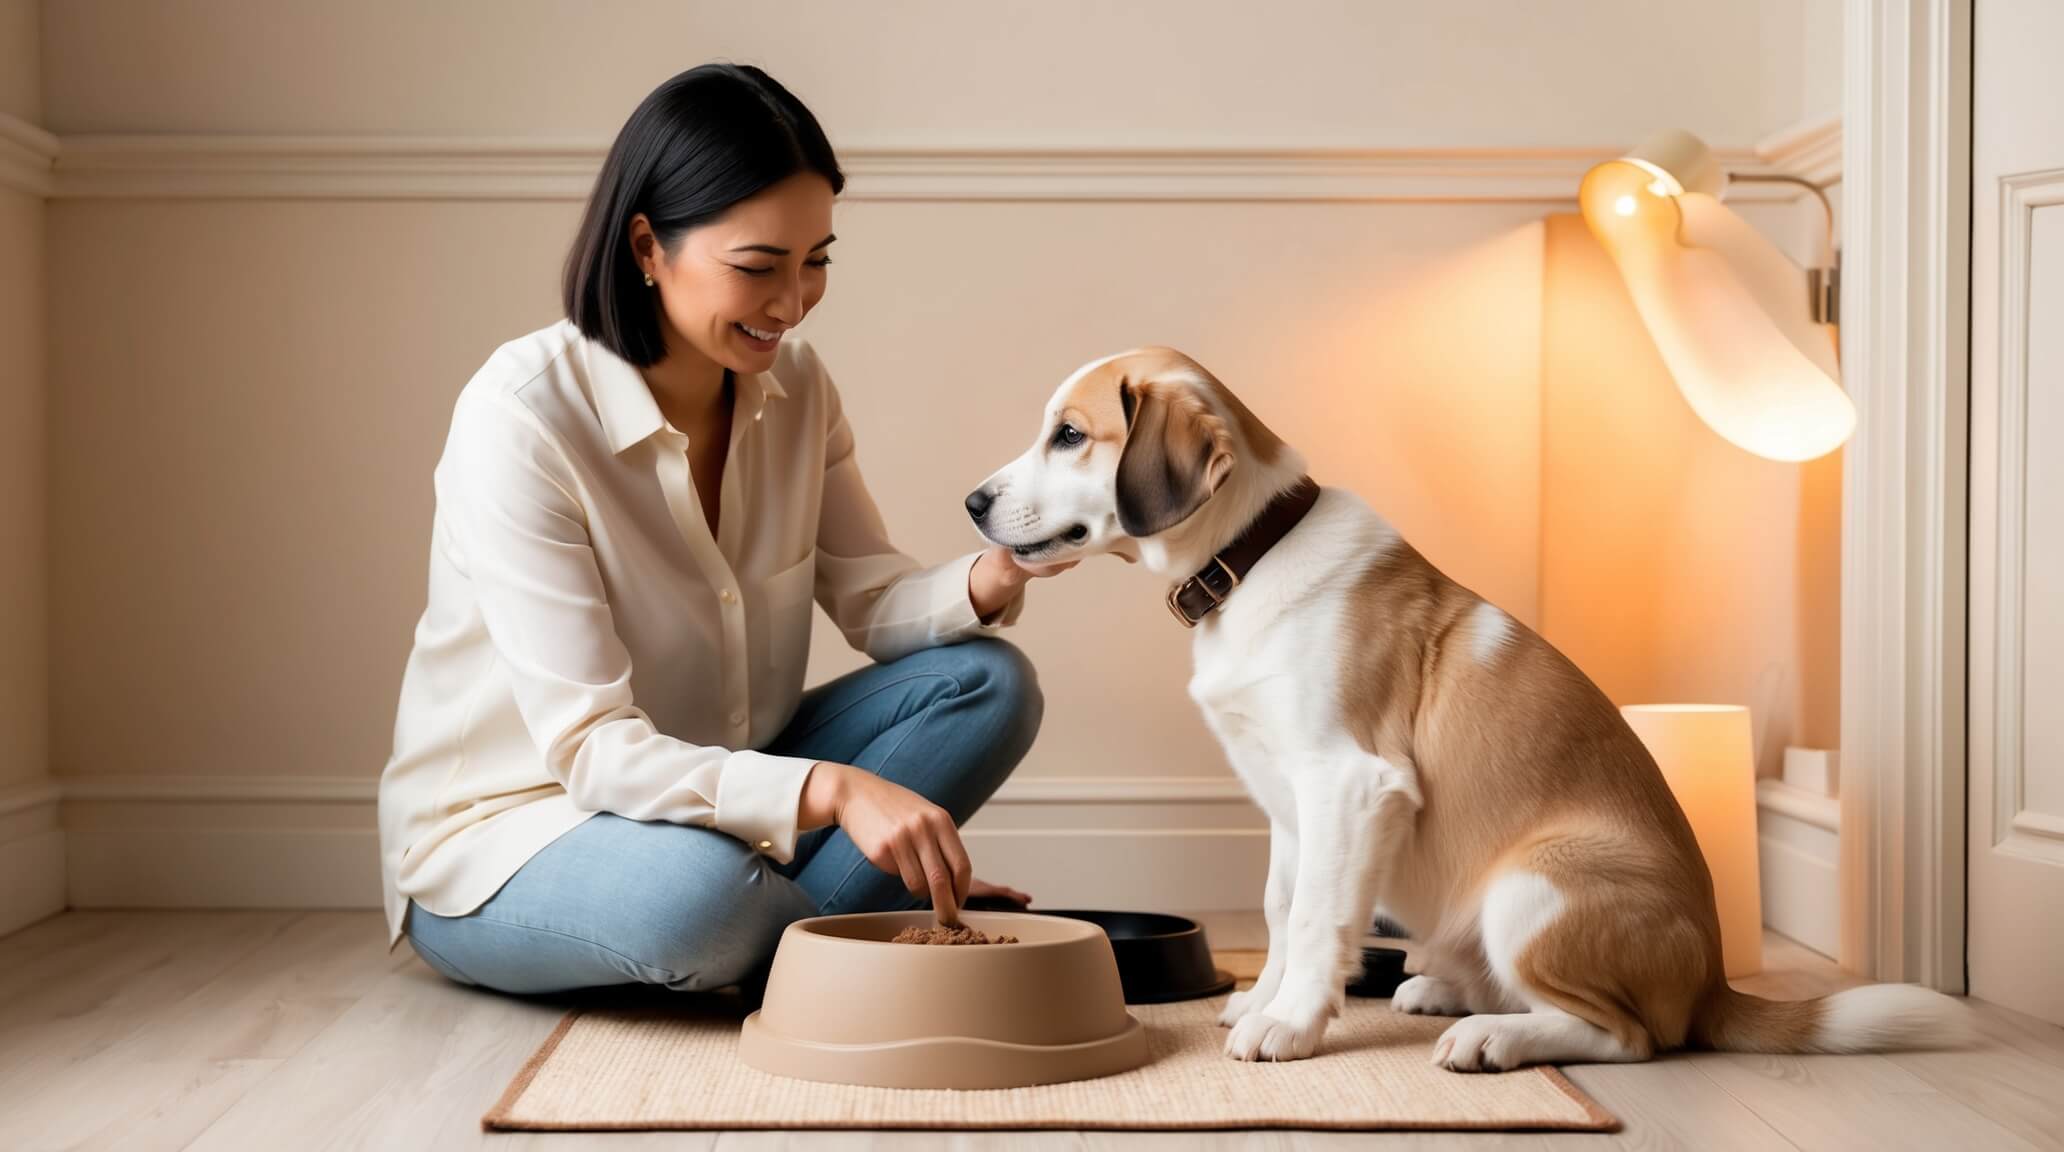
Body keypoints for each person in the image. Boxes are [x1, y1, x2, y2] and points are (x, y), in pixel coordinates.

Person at [375, 63, 1069, 995]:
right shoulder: (522, 418)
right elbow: (590, 749)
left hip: (726, 801)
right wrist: (834, 792)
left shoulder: (799, 389)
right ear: (647, 245)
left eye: (817, 259)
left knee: (989, 682)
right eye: (758, 266)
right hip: (518, 833)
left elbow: (873, 599)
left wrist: (1004, 569)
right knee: (696, 908)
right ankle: (840, 926)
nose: (792, 301)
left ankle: (807, 934)